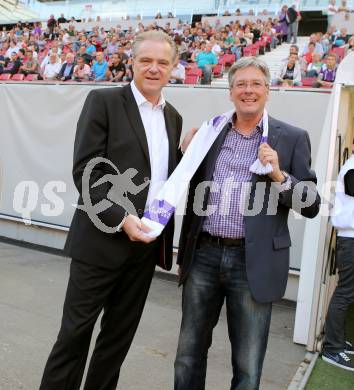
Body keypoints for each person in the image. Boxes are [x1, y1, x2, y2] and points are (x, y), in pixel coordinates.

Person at [39, 30, 183, 390]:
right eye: (146, 60)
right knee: (74, 336)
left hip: (145, 247)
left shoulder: (174, 118)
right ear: (131, 62)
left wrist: (187, 156)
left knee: (117, 342)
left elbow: (161, 177)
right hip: (100, 242)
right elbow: (88, 170)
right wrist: (121, 219)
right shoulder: (102, 102)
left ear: (173, 67)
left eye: (162, 62)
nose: (154, 68)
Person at [174, 57, 320, 390]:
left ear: (268, 91)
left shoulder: (292, 137)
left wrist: (280, 176)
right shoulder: (210, 132)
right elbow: (184, 184)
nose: (248, 90)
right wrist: (185, 154)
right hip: (204, 256)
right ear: (230, 92)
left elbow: (311, 205)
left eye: (256, 84)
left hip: (253, 263)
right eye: (241, 84)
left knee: (248, 365)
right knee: (188, 355)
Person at [322, 142, 354, 371]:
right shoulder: (352, 168)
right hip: (350, 238)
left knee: (347, 291)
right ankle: (332, 349)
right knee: (345, 292)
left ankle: (338, 341)